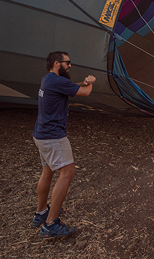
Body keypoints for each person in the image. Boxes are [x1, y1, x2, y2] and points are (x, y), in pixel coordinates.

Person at [32, 51, 96, 238]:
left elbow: (68, 87)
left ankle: (41, 212)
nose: (70, 66)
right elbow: (84, 92)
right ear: (57, 64)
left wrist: (79, 84)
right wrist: (90, 82)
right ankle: (50, 224)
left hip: (41, 135)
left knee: (48, 172)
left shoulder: (48, 80)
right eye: (67, 62)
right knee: (68, 172)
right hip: (53, 137)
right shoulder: (57, 81)